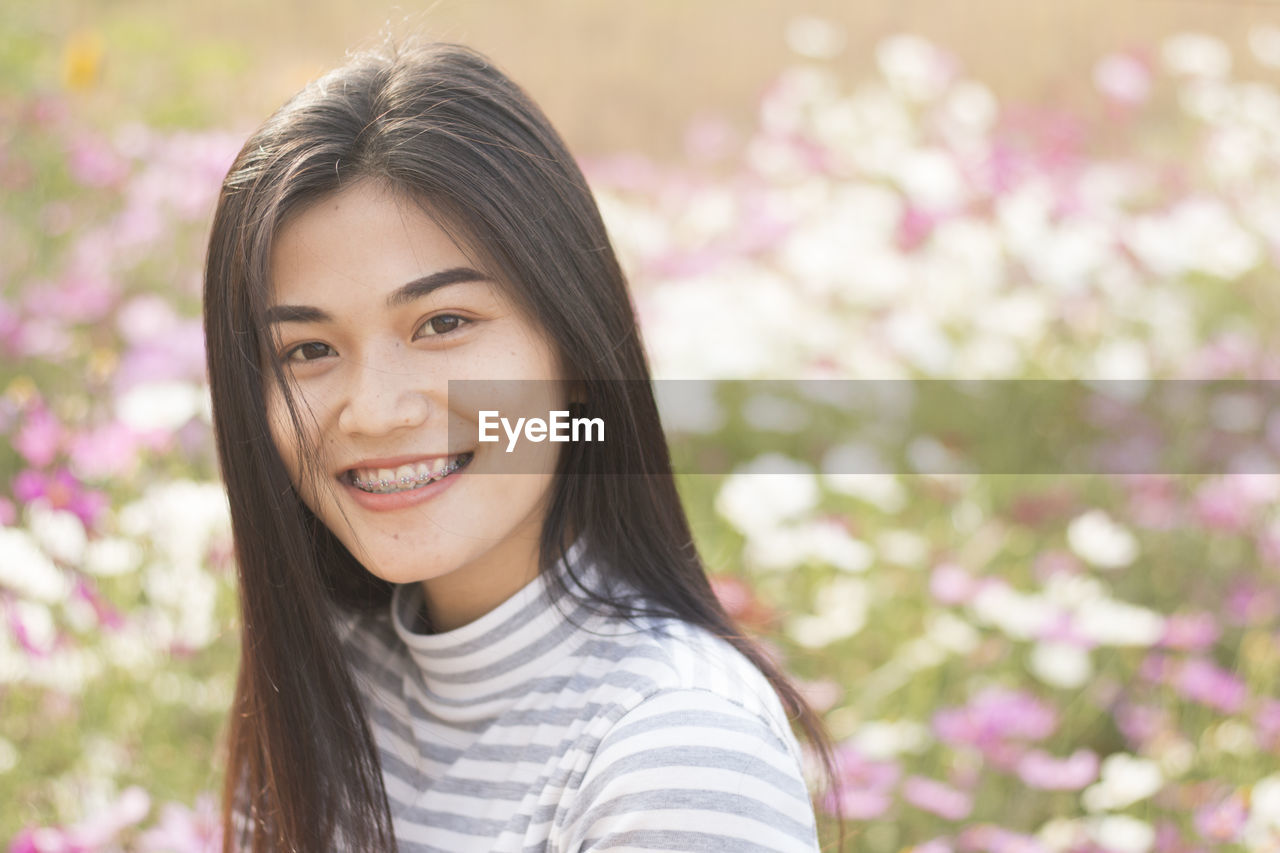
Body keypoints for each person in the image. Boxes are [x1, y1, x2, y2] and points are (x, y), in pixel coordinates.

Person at [203, 40, 842, 852]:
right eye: (308, 350)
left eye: (444, 324)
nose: (375, 411)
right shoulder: (330, 681)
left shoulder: (672, 748)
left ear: (575, 352)